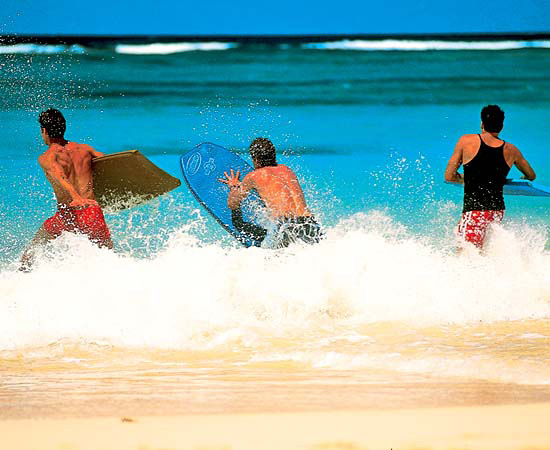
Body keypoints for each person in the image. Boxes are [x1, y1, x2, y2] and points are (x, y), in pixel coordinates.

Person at [20, 109, 113, 270]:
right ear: (64, 128)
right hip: (87, 212)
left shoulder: (48, 157)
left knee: (30, 252)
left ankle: (18, 280)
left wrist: (76, 197)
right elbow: (109, 163)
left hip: (69, 214)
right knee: (108, 256)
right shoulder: (85, 149)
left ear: (44, 131)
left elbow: (60, 176)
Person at [444, 104, 536, 249]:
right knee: (483, 253)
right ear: (501, 126)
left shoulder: (466, 141)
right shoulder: (512, 150)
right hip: (497, 211)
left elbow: (449, 176)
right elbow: (531, 175)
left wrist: (466, 179)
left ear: (482, 124)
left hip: (474, 210)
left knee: (466, 254)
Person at [219, 137, 322, 248]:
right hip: (310, 224)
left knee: (279, 262)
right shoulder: (287, 170)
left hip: (287, 225)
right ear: (273, 155)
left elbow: (232, 203)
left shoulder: (254, 175)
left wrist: (234, 186)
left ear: (255, 159)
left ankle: (260, 242)